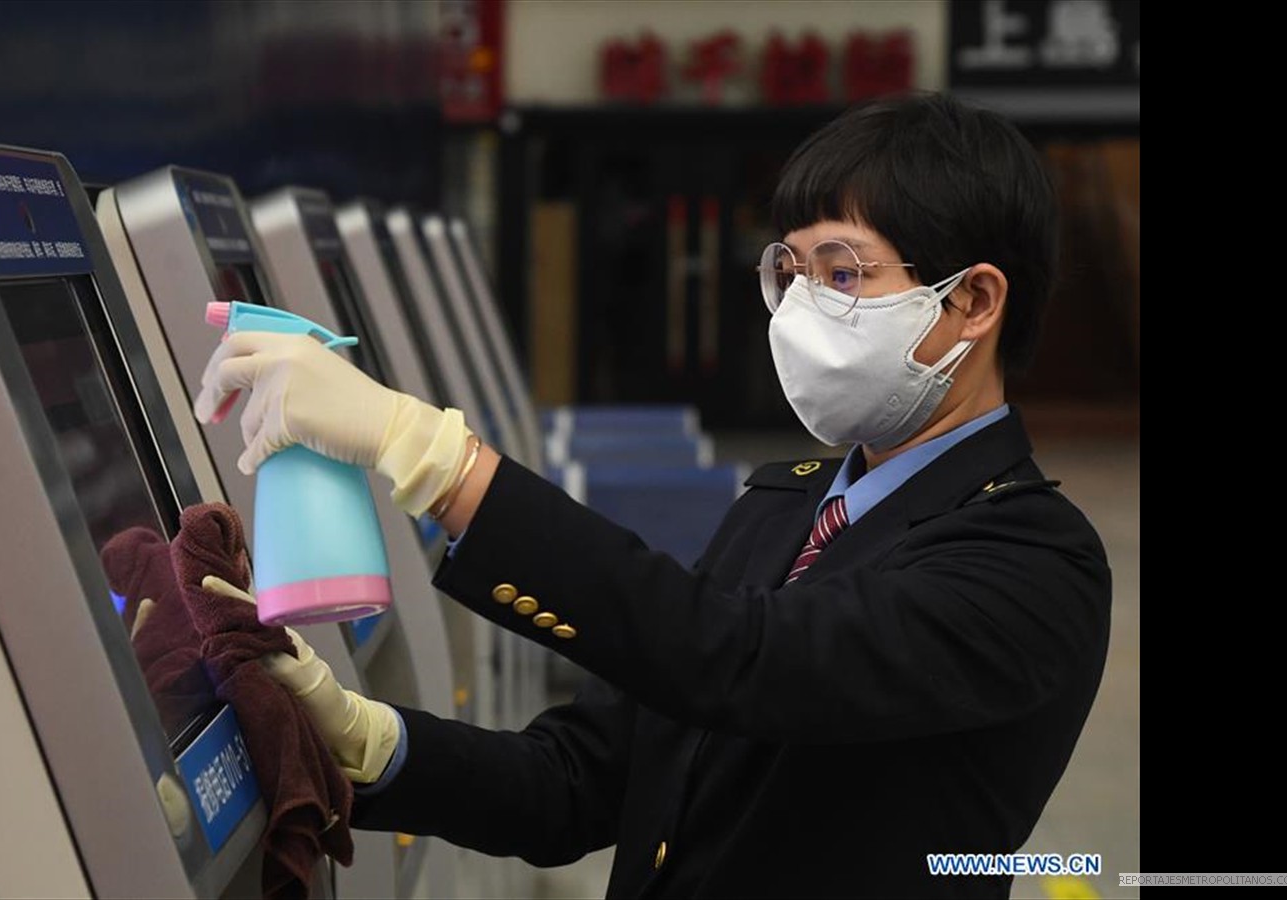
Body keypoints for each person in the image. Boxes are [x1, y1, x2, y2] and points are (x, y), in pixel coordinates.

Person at [190, 91, 1112, 899]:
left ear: (976, 301)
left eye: (841, 273)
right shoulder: (785, 508)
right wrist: (370, 743)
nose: (796, 312)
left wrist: (434, 458)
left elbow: (734, 661)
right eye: (788, 274)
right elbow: (580, 781)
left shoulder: (1030, 565)